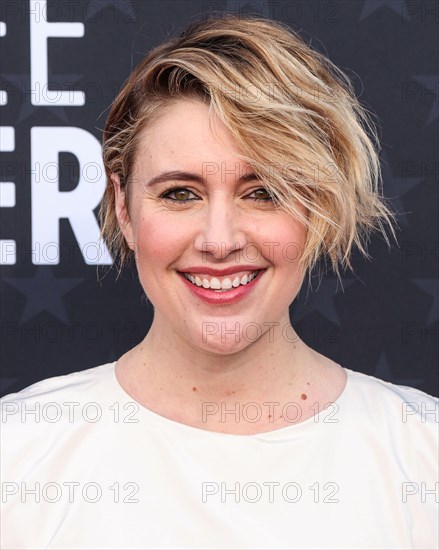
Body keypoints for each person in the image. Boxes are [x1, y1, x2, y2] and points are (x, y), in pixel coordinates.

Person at [1, 14, 437, 550]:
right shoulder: (18, 453)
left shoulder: (422, 453)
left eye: (264, 192)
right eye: (180, 193)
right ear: (124, 207)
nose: (220, 240)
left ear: (318, 208)